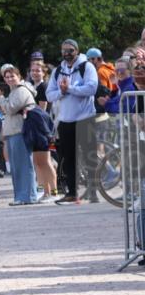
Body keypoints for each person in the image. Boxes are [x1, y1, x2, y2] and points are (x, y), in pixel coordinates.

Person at [45, 38, 99, 205]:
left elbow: (91, 88)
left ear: (77, 50)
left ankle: (93, 191)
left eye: (70, 50)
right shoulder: (58, 70)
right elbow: (49, 95)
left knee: (90, 155)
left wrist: (69, 89)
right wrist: (62, 92)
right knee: (68, 158)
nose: (67, 53)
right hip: (65, 119)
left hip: (86, 117)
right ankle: (72, 192)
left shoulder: (86, 66)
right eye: (64, 50)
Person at [0, 64, 39, 205]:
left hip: (20, 131)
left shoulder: (21, 91)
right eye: (7, 77)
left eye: (12, 76)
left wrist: (1, 99)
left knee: (23, 165)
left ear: (19, 76)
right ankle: (21, 196)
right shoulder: (14, 91)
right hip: (13, 131)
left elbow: (10, 109)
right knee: (16, 166)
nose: (9, 79)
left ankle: (27, 196)